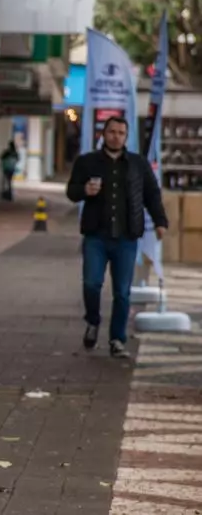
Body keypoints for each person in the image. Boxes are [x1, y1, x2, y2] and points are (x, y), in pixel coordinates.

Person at [66, 116, 168, 358]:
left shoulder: (138, 164)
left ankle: (117, 339)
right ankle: (93, 321)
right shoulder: (87, 162)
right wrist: (84, 190)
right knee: (91, 284)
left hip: (126, 237)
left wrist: (160, 221)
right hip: (96, 236)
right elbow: (71, 191)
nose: (116, 137)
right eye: (112, 132)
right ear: (104, 134)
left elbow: (152, 194)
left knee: (122, 292)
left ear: (126, 137)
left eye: (121, 133)